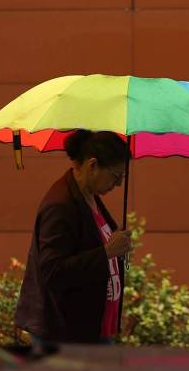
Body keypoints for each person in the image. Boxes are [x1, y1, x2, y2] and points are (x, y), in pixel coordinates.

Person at [15, 130, 132, 344]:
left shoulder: (90, 198)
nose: (118, 185)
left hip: (92, 330)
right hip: (66, 335)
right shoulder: (61, 205)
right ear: (92, 165)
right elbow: (53, 272)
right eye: (115, 176)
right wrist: (106, 252)